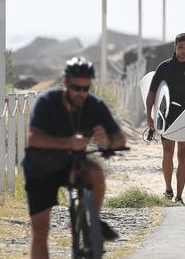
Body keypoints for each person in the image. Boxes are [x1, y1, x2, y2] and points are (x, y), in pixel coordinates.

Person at [22, 57, 127, 259]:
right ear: (65, 83)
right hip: (40, 166)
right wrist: (68, 143)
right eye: (76, 88)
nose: (81, 93)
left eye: (85, 88)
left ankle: (91, 223)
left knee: (95, 173)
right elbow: (33, 137)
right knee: (40, 231)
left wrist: (107, 141)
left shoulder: (94, 105)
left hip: (72, 164)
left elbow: (119, 139)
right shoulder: (47, 102)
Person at [146, 33, 185, 205]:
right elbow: (152, 92)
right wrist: (149, 116)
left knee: (183, 157)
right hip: (167, 116)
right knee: (167, 154)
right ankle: (168, 189)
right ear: (175, 46)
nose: (184, 51)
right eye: (181, 47)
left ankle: (180, 196)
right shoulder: (164, 67)